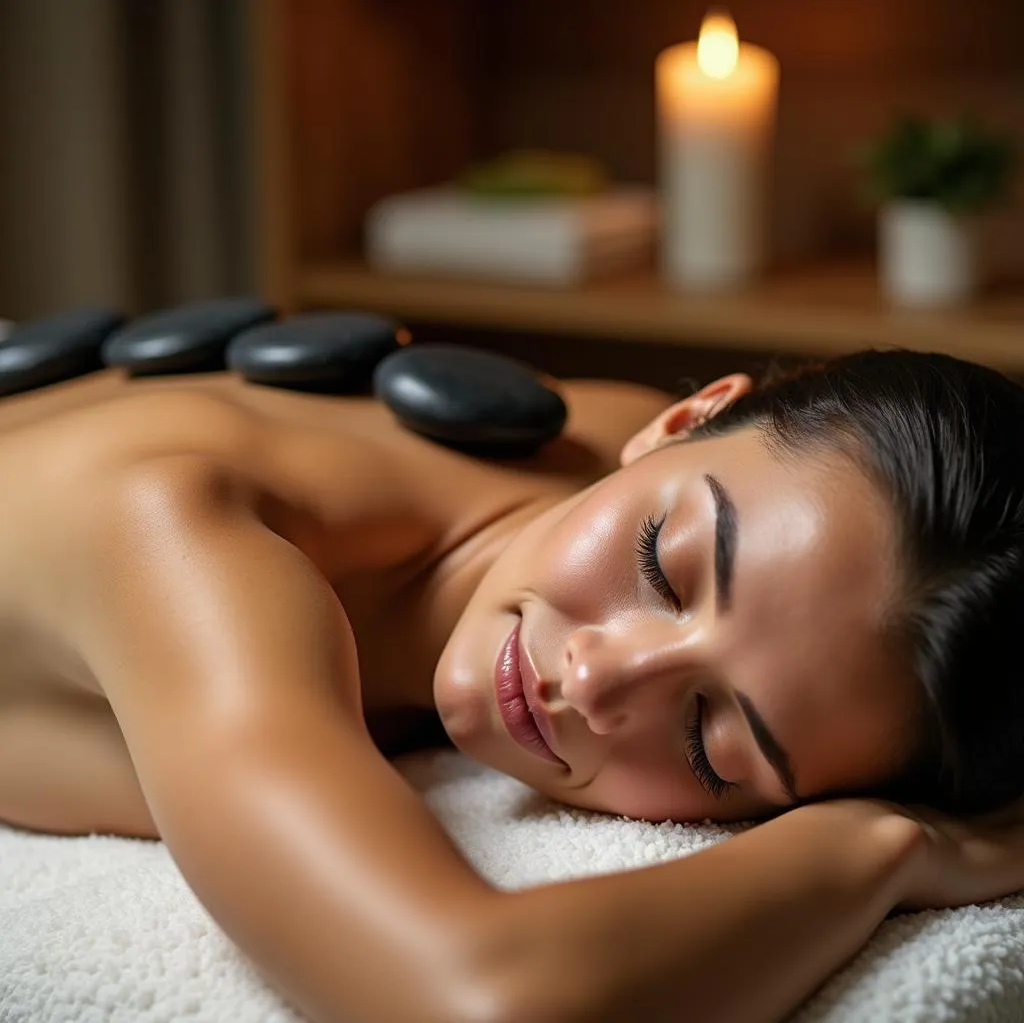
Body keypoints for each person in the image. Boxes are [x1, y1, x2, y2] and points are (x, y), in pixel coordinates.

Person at [1, 345, 1024, 1023]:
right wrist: (879, 848)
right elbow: (474, 998)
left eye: (710, 738)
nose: (596, 678)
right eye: (664, 564)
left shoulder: (622, 458)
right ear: (684, 418)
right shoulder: (179, 531)